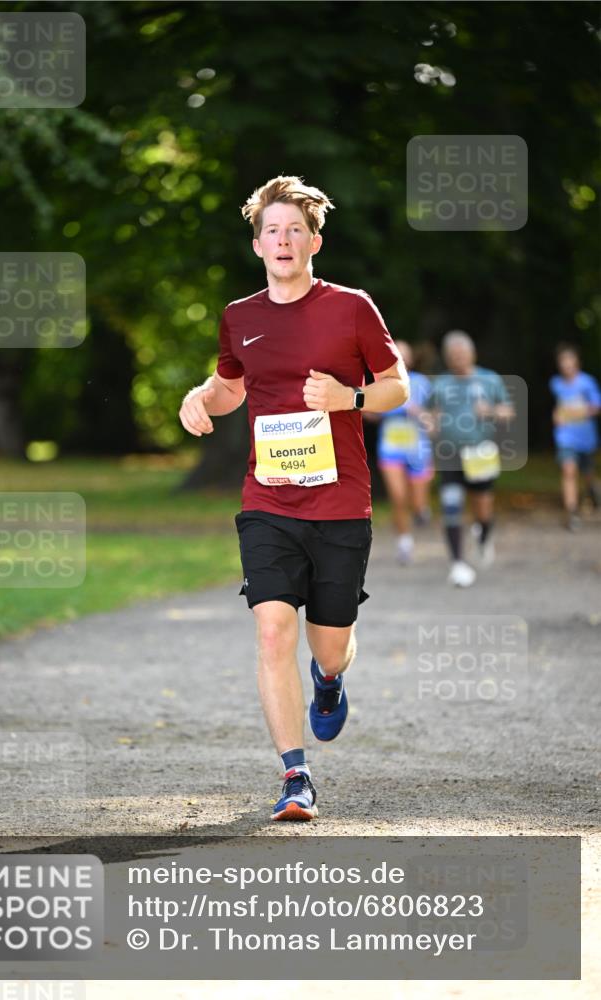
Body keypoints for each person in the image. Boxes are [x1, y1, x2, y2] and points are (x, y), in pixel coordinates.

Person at [179, 175, 408, 821]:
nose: (283, 240)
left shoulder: (351, 308)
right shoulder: (239, 317)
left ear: (314, 240)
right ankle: (294, 775)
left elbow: (396, 387)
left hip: (340, 500)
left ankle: (329, 680)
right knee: (273, 629)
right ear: (257, 245)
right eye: (271, 230)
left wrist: (349, 398)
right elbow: (229, 387)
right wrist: (199, 399)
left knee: (327, 643)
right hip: (268, 498)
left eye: (294, 230)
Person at [427, 330, 514, 588]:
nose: (458, 359)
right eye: (453, 355)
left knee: (483, 507)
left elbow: (508, 411)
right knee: (451, 507)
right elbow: (431, 413)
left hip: (481, 452)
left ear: (472, 354)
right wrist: (431, 423)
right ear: (447, 358)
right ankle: (457, 564)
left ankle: (483, 534)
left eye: (462, 354)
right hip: (450, 454)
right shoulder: (440, 384)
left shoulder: (489, 379)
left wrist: (492, 411)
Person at [368, 340, 433, 565]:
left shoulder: (422, 383)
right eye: (397, 355)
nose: (401, 360)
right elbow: (370, 413)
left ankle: (420, 510)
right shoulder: (381, 382)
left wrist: (420, 413)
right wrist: (363, 404)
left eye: (405, 356)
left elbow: (434, 417)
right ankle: (404, 543)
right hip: (391, 448)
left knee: (418, 504)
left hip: (418, 449)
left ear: (412, 359)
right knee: (398, 497)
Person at [549, 342, 601, 531]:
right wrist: (557, 415)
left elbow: (596, 406)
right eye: (562, 361)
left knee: (587, 473)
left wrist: (577, 412)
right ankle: (572, 513)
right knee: (568, 471)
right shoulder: (556, 383)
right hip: (565, 436)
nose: (566, 365)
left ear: (576, 361)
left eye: (569, 360)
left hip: (585, 436)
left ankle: (592, 491)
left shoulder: (587, 382)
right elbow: (559, 406)